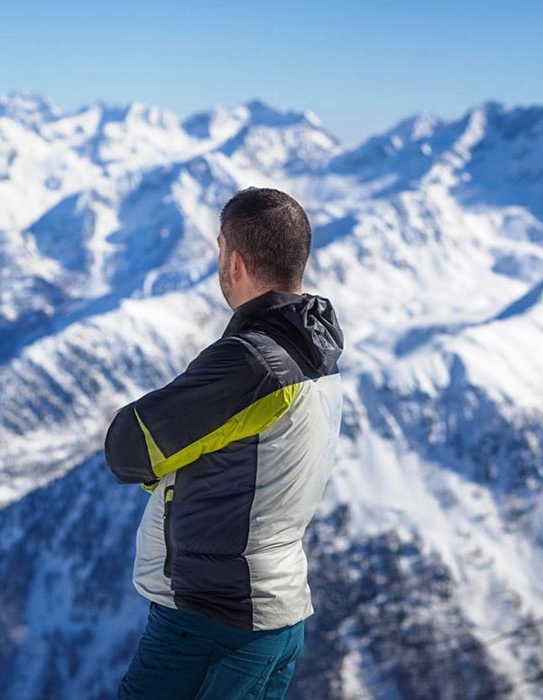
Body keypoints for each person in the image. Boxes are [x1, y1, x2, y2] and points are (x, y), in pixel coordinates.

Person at [105, 187, 344, 699]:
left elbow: (127, 447)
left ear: (233, 262)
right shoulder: (317, 353)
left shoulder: (249, 362)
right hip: (272, 615)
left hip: (211, 621)